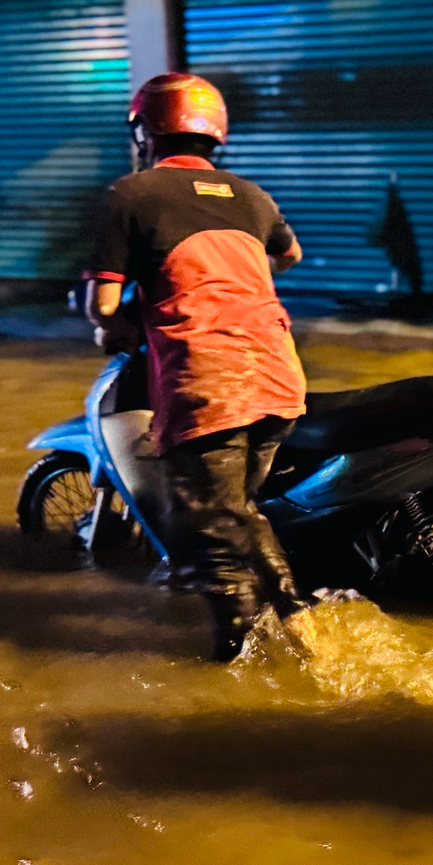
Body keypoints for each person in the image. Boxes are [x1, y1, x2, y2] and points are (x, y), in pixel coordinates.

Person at [82, 72, 308, 662]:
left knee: (215, 545)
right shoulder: (251, 196)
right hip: (278, 376)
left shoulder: (130, 194)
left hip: (210, 382)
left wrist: (119, 325)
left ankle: (237, 673)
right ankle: (310, 635)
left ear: (144, 130)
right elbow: (290, 254)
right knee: (237, 512)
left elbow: (103, 306)